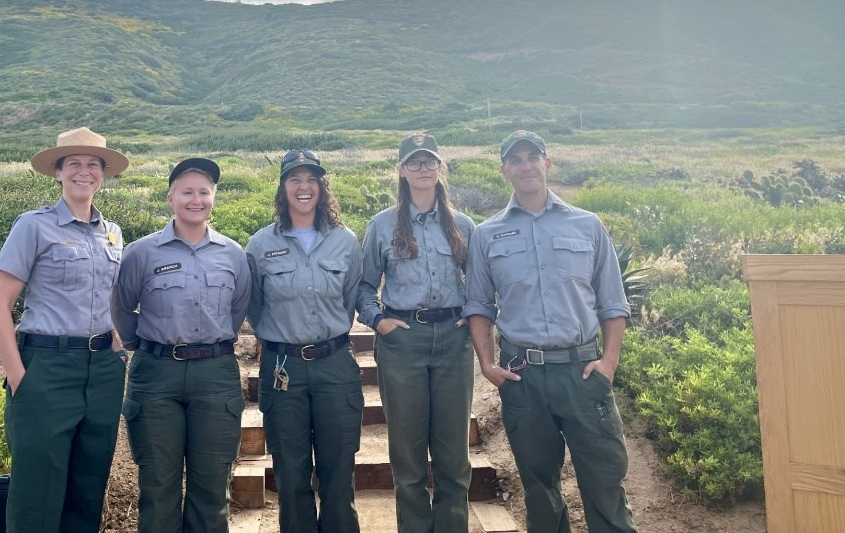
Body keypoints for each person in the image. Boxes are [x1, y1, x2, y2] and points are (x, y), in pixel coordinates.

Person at [465, 130, 638, 533]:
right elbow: (478, 306)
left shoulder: (587, 225)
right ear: (505, 169)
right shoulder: (486, 234)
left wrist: (609, 362)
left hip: (582, 373)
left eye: (533, 157)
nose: (526, 165)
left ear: (548, 164)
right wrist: (488, 365)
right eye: (516, 159)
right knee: (540, 489)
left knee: (604, 483)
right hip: (523, 376)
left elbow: (613, 301)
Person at [0, 127, 130, 533]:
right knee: (37, 493)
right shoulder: (33, 226)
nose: (83, 172)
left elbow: (113, 300)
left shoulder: (113, 233)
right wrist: (19, 378)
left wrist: (118, 349)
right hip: (46, 368)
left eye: (93, 164)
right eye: (74, 164)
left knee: (88, 487)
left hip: (102, 370)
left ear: (103, 174)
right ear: (58, 172)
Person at [113, 157, 250, 533]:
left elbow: (237, 309)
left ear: (213, 198)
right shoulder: (142, 253)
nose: (196, 199)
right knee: (158, 488)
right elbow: (122, 307)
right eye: (187, 191)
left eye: (204, 192)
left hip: (215, 373)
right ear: (170, 197)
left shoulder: (233, 254)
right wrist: (140, 343)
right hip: (156, 375)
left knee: (211, 490)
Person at [357, 133, 477, 533]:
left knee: (453, 455)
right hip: (403, 342)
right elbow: (362, 285)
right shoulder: (383, 225)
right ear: (402, 170)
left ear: (440, 168)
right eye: (414, 162)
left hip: (453, 342)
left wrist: (471, 315)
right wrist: (379, 320)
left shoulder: (462, 225)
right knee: (407, 455)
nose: (423, 169)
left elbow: (481, 284)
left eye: (429, 162)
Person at [245, 149, 364, 533]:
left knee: (338, 469)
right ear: (283, 187)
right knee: (291, 472)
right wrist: (284, 339)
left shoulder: (345, 241)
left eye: (311, 179)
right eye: (294, 179)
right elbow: (255, 306)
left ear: (321, 186)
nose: (303, 187)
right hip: (283, 367)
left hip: (334, 364)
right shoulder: (260, 245)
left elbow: (348, 300)